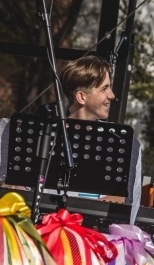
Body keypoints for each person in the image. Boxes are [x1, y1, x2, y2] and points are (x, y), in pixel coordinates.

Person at [59, 55, 142, 214]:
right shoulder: (48, 134)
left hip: (95, 234)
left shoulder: (121, 141)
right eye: (104, 89)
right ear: (81, 97)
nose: (111, 95)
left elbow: (122, 200)